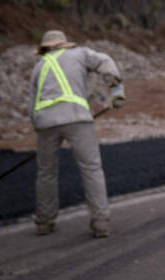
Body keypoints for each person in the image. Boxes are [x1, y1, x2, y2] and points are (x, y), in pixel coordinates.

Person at [29, 30, 126, 238]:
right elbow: (105, 61)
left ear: (45, 48)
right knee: (91, 168)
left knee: (46, 172)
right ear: (64, 44)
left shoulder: (38, 67)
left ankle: (44, 222)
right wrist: (116, 91)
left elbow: (32, 104)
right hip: (77, 119)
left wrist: (40, 130)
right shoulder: (80, 54)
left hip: (46, 124)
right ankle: (100, 222)